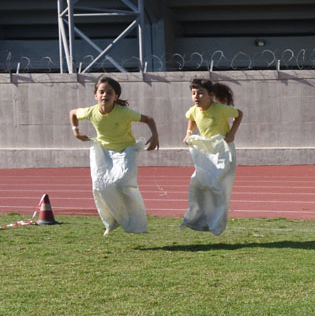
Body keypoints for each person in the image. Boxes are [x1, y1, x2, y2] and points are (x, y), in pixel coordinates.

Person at [70, 75, 159, 235]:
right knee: (99, 185)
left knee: (120, 183)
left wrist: (155, 137)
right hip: (103, 151)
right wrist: (76, 132)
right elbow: (73, 113)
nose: (105, 95)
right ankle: (111, 220)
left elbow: (149, 119)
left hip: (126, 151)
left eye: (110, 92)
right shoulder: (91, 112)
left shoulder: (124, 112)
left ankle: (134, 222)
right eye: (102, 92)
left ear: (115, 96)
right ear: (95, 95)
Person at [181, 78, 243, 235]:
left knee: (216, 186)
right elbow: (191, 118)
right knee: (200, 183)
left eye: (201, 93)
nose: (196, 97)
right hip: (206, 151)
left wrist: (232, 134)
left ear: (210, 95)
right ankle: (200, 219)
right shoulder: (194, 110)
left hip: (223, 149)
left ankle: (216, 222)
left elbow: (239, 114)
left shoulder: (220, 109)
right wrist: (188, 134)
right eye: (193, 93)